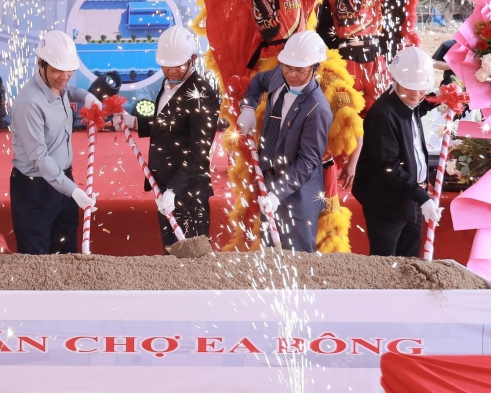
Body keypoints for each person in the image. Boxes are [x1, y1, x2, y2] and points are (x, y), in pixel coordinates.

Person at [237, 30, 332, 252]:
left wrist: (277, 193)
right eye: (287, 67)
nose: (291, 74)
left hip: (298, 196)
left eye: (300, 70)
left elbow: (308, 161)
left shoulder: (318, 109)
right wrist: (248, 107)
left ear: (315, 68)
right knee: (269, 256)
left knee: (295, 260)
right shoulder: (279, 75)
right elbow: (258, 80)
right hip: (269, 178)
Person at [125, 26, 219, 250]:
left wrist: (174, 190)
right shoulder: (168, 84)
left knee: (193, 259)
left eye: (179, 65)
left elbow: (199, 152)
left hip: (189, 192)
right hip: (165, 186)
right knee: (171, 253)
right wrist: (135, 122)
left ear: (193, 59)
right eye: (166, 65)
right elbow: (170, 123)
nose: (172, 70)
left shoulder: (203, 94)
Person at [10, 30, 99, 255]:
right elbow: (39, 157)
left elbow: (68, 90)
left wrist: (86, 97)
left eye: (69, 70)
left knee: (66, 249)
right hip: (35, 190)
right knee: (36, 256)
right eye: (58, 70)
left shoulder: (57, 85)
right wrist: (74, 191)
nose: (64, 76)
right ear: (41, 63)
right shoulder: (29, 104)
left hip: (64, 180)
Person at [352, 47, 442, 257]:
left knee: (409, 261)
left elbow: (418, 106)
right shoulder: (382, 115)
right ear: (395, 80)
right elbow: (389, 167)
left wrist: (441, 98)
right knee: (386, 264)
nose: (416, 94)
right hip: (387, 202)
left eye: (421, 89)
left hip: (411, 196)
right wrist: (422, 197)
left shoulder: (408, 101)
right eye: (410, 88)